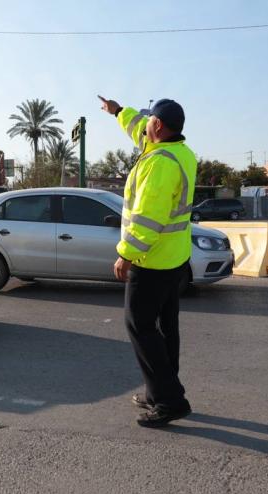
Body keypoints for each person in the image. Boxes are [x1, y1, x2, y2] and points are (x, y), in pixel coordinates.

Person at [99, 95, 197, 428]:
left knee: (139, 325)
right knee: (166, 328)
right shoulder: (181, 153)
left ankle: (170, 400)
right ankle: (160, 390)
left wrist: (126, 254)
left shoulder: (159, 165)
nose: (144, 125)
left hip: (152, 261)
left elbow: (148, 217)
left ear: (158, 125)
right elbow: (136, 126)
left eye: (149, 120)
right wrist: (117, 112)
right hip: (176, 258)